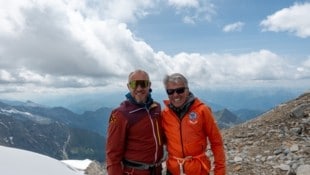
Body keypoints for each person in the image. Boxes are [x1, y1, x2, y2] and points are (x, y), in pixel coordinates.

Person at [161, 73, 226, 175]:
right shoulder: (164, 114)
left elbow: (216, 142)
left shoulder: (202, 110)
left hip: (198, 170)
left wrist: (220, 171)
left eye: (180, 90)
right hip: (173, 171)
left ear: (187, 90)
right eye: (170, 91)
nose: (175, 95)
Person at [106, 69, 164, 175]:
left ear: (149, 85)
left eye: (143, 84)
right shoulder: (119, 114)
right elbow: (112, 154)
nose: (139, 88)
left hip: (157, 171)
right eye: (134, 84)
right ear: (128, 86)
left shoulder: (156, 107)